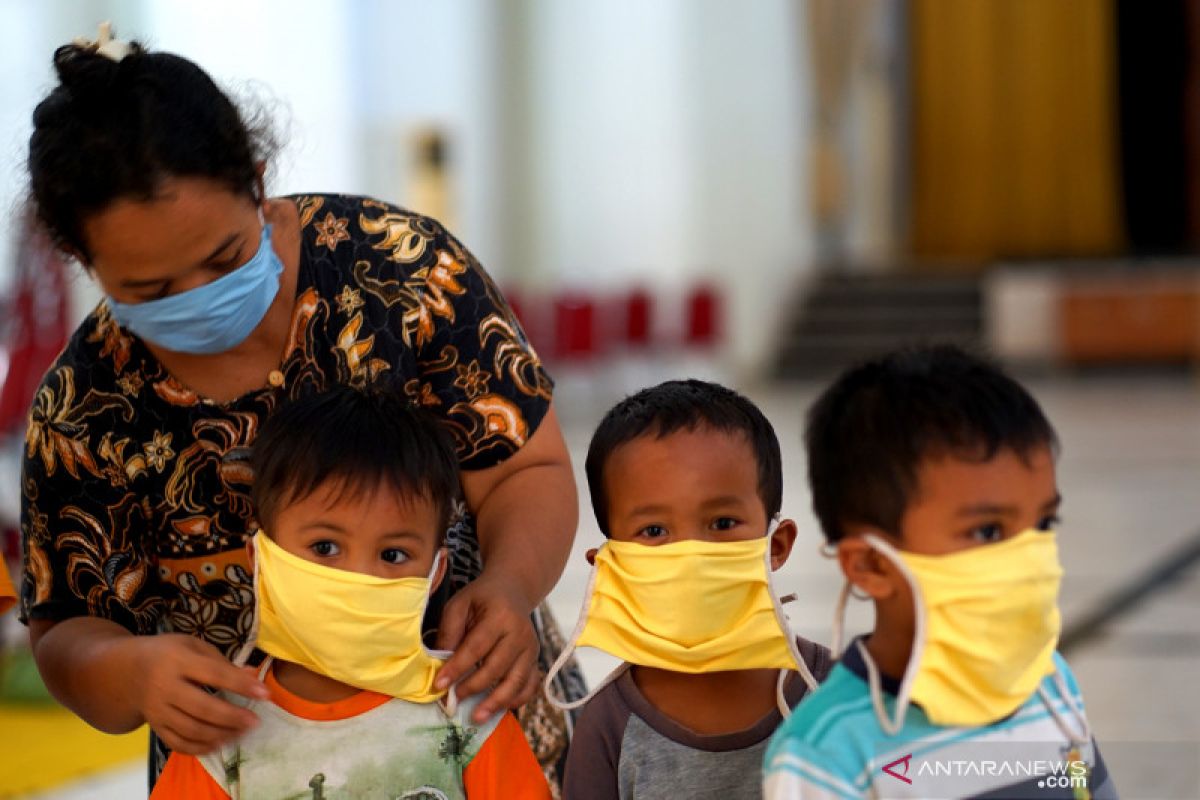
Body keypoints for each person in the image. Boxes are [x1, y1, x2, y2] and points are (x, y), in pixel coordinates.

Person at [18, 24, 582, 791]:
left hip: (475, 727)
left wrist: (508, 588)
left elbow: (526, 468)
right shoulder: (85, 411)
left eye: (223, 259)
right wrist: (124, 670)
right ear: (85, 261)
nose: (202, 301)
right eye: (150, 290)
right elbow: (63, 628)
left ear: (256, 182)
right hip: (242, 764)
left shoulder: (399, 273)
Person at [149, 386, 550, 799]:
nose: (361, 578)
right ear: (261, 557)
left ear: (435, 573)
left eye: (392, 554)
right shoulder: (221, 729)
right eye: (325, 548)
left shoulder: (467, 716)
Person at [763, 345, 1117, 799]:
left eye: (1043, 524)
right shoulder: (825, 755)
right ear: (871, 566)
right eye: (988, 530)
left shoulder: (1050, 683)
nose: (1032, 555)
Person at [547, 379, 833, 800]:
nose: (691, 554)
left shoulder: (834, 695)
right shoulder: (608, 726)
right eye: (654, 530)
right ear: (610, 565)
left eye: (721, 524)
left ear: (776, 546)